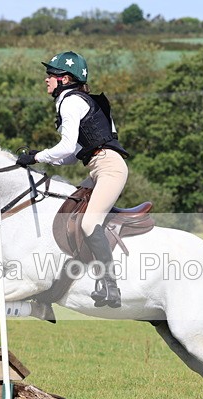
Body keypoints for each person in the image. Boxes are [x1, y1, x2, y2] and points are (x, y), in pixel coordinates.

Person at [16, 51, 129, 309]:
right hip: (97, 167)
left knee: (89, 222)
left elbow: (66, 148)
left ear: (65, 79)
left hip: (109, 168)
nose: (47, 79)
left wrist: (37, 157)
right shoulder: (76, 100)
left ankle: (110, 285)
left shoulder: (70, 102)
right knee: (68, 211)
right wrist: (40, 158)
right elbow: (72, 156)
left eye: (51, 75)